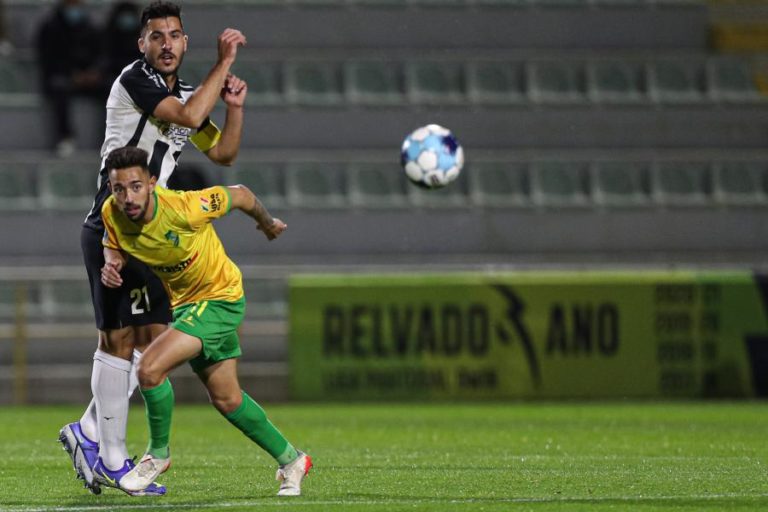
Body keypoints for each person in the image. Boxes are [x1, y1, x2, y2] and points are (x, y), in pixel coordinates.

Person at [57, 0, 249, 496]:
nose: (166, 44)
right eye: (157, 36)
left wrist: (234, 108)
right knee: (119, 341)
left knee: (153, 338)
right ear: (141, 43)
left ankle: (89, 430)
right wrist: (223, 63)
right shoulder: (135, 79)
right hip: (114, 225)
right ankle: (111, 456)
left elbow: (224, 152)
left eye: (175, 35)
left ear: (185, 42)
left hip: (150, 233)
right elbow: (187, 114)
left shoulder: (186, 94)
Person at [99, 145, 312, 496]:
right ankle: (292, 460)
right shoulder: (112, 211)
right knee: (227, 399)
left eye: (136, 186)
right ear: (111, 189)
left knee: (149, 369)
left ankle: (158, 455)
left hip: (220, 298)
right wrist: (112, 262)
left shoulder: (185, 208)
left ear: (152, 182)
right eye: (119, 189)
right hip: (187, 305)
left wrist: (267, 223)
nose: (128, 197)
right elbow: (113, 242)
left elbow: (241, 195)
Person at [35, 0, 104, 157]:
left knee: (114, 89)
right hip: (63, 76)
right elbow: (48, 60)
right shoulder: (50, 27)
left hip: (89, 77)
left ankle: (111, 137)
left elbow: (101, 54)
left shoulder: (90, 27)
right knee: (59, 88)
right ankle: (65, 137)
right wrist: (71, 74)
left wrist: (94, 72)